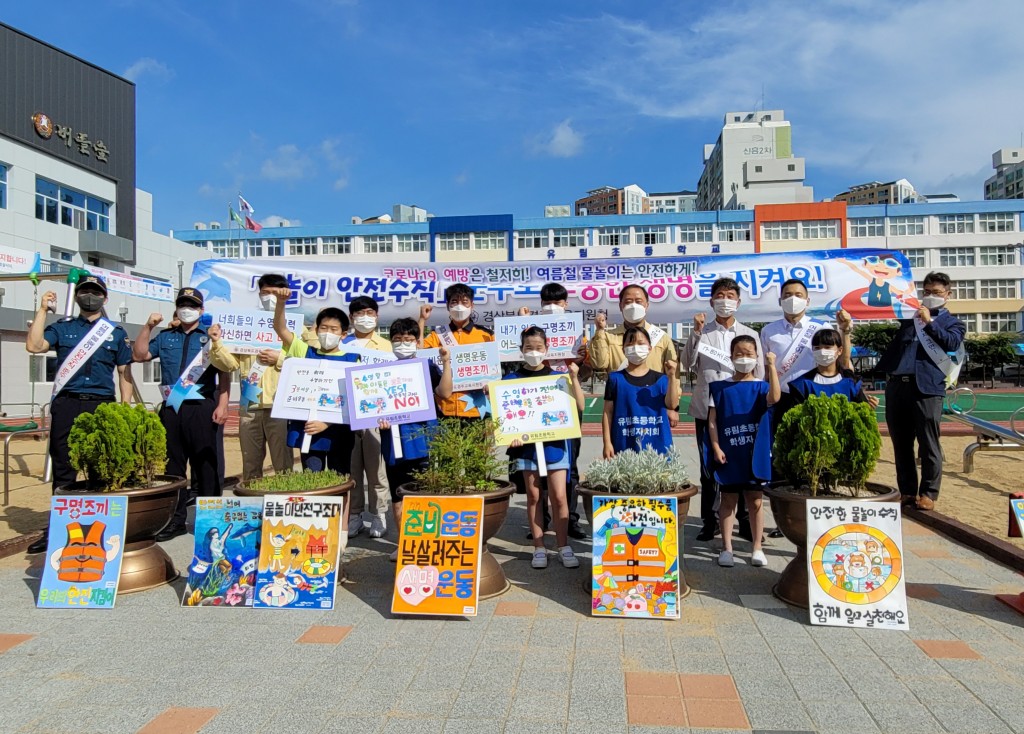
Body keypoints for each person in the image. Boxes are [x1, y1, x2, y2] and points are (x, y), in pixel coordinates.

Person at [25, 276, 134, 554]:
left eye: (95, 292)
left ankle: (99, 528)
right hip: (68, 403)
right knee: (64, 468)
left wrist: (125, 408)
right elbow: (34, 346)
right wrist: (42, 310)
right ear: (76, 296)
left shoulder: (115, 333)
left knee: (101, 467)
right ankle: (59, 531)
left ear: (105, 298)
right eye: (84, 291)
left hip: (102, 405)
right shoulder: (62, 328)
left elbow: (125, 374)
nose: (89, 296)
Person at [134, 287, 230, 541]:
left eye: (192, 305)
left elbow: (225, 371)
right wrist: (148, 326)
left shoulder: (210, 336)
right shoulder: (165, 337)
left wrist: (223, 403)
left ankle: (211, 521)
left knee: (206, 465)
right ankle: (174, 520)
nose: (187, 309)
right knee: (173, 465)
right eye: (183, 304)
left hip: (202, 406)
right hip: (172, 407)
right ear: (176, 308)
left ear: (201, 310)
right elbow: (139, 354)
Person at [759, 278, 854, 537]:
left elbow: (843, 363)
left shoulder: (820, 328)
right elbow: (764, 373)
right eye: (788, 294)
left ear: (808, 300)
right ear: (780, 300)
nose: (793, 298)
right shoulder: (769, 331)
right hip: (782, 398)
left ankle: (818, 515)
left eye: (798, 294)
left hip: (814, 398)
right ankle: (784, 519)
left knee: (815, 455)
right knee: (781, 458)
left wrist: (846, 332)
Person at [875, 272, 966, 510]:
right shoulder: (909, 318)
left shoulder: (954, 323)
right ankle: (906, 491)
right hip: (897, 386)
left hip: (926, 388)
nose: (931, 297)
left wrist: (930, 323)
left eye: (936, 293)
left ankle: (928, 493)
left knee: (928, 443)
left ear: (948, 295)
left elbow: (952, 343)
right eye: (927, 292)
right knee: (901, 443)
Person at [684, 277, 763, 542]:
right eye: (720, 295)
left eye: (730, 296)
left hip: (741, 411)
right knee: (709, 467)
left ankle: (745, 522)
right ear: (711, 301)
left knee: (743, 464)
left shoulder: (751, 334)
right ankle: (710, 520)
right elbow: (688, 364)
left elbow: (759, 373)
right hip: (707, 409)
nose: (725, 301)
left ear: (738, 302)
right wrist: (695, 333)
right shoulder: (702, 331)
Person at [504, 326, 586, 569]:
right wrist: (511, 434)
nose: (534, 352)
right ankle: (539, 547)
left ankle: (563, 546)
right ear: (521, 350)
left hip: (556, 445)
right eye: (529, 348)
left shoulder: (557, 378)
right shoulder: (511, 380)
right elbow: (504, 418)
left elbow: (579, 406)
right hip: (526, 448)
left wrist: (573, 378)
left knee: (560, 496)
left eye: (538, 348)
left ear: (547, 349)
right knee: (534, 496)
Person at [514, 282, 589, 540]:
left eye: (557, 302)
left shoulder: (577, 332)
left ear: (566, 304)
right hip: (533, 406)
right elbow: (517, 362)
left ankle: (570, 521)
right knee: (536, 464)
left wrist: (582, 357)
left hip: (563, 401)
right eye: (546, 301)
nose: (551, 306)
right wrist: (520, 325)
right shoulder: (532, 329)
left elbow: (589, 368)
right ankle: (542, 521)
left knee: (568, 464)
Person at [378, 318, 454, 561]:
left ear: (417, 342)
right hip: (393, 439)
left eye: (408, 340)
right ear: (391, 342)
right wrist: (379, 418)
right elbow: (371, 405)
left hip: (424, 438)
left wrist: (446, 362)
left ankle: (426, 541)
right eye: (398, 340)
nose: (403, 344)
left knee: (425, 492)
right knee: (398, 493)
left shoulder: (427, 367)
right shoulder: (380, 372)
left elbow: (445, 393)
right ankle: (404, 543)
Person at [207, 274, 294, 481]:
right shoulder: (245, 325)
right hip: (250, 405)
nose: (270, 297)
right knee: (251, 462)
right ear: (259, 294)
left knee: (283, 464)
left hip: (279, 405)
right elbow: (229, 364)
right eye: (266, 293)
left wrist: (280, 358)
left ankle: (283, 505)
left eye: (275, 293)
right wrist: (217, 343)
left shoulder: (294, 326)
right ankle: (252, 506)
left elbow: (304, 361)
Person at [267, 286, 358, 474]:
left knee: (340, 480)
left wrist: (326, 423)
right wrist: (281, 304)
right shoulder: (304, 351)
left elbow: (353, 400)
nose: (328, 333)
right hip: (308, 430)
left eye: (334, 329)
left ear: (343, 334)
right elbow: (280, 328)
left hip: (338, 431)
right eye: (324, 328)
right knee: (312, 479)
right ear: (316, 330)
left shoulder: (352, 359)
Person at [707, 337, 780, 567]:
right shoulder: (719, 387)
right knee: (728, 500)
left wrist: (771, 366)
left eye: (749, 353)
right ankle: (726, 548)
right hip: (729, 452)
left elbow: (775, 397)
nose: (744, 357)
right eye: (739, 353)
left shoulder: (761, 386)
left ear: (757, 356)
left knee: (755, 501)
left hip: (753, 454)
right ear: (731, 356)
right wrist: (716, 447)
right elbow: (712, 421)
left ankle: (757, 547)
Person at [590, 283, 680, 425]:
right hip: (621, 405)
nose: (633, 306)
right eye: (628, 302)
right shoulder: (608, 336)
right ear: (620, 306)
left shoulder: (661, 337)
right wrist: (600, 331)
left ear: (647, 305)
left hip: (654, 404)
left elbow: (674, 375)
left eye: (638, 302)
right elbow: (599, 364)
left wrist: (674, 406)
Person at [345, 296, 393, 540]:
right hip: (347, 417)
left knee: (377, 470)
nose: (365, 317)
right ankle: (354, 514)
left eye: (370, 312)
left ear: (376, 316)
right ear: (352, 317)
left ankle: (379, 513)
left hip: (376, 417)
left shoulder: (386, 346)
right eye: (359, 313)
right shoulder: (342, 345)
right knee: (352, 471)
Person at [602, 326, 681, 457]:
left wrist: (672, 376)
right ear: (623, 350)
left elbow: (672, 405)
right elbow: (607, 412)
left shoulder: (661, 379)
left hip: (659, 446)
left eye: (640, 343)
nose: (635, 347)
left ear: (650, 348)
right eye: (630, 343)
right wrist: (607, 443)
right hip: (623, 445)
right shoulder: (615, 379)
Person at [418, 284, 494, 419]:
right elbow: (418, 351)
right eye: (454, 302)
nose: (460, 306)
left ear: (472, 305)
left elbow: (498, 364)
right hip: (445, 407)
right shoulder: (438, 334)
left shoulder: (486, 335)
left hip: (476, 408)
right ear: (448, 306)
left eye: (464, 302)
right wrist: (422, 320)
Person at [786, 329, 872, 406]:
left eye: (827, 347)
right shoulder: (801, 385)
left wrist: (869, 407)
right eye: (817, 348)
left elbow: (861, 412)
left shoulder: (851, 382)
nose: (822, 351)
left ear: (840, 350)